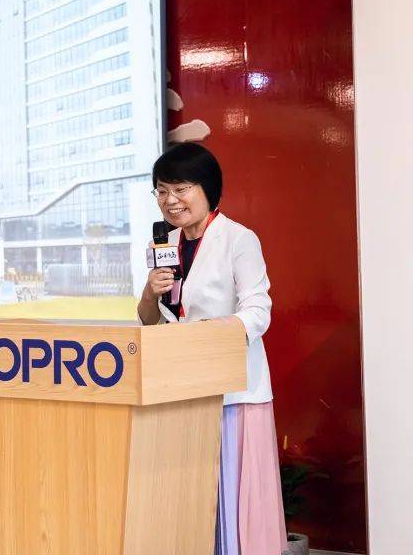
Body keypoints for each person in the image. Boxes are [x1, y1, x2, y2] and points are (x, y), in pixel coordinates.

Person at [137, 142, 286, 555]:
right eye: (161, 190)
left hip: (232, 392)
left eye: (180, 188)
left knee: (232, 500)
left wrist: (210, 337)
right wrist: (150, 292)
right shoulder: (163, 243)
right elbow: (151, 320)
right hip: (181, 390)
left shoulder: (238, 239)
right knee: (190, 499)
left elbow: (258, 311)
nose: (170, 200)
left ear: (207, 188)